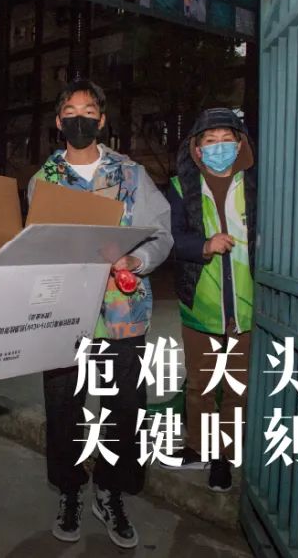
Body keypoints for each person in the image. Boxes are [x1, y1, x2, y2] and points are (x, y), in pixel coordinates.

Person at [27, 79, 173, 550]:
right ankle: (70, 491)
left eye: (89, 111)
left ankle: (110, 492)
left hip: (122, 313)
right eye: (71, 111)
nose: (80, 119)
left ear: (103, 120)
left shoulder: (130, 175)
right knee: (64, 411)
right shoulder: (43, 180)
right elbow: (36, 244)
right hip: (65, 317)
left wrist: (137, 260)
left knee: (123, 411)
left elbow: (161, 233)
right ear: (58, 121)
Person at [162, 107, 256, 493]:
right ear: (196, 149)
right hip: (200, 304)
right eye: (210, 141)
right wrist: (203, 245)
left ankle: (225, 458)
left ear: (240, 144)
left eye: (226, 140)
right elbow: (169, 238)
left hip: (247, 307)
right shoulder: (181, 187)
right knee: (200, 383)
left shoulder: (255, 186)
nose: (219, 148)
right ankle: (199, 448)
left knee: (236, 387)